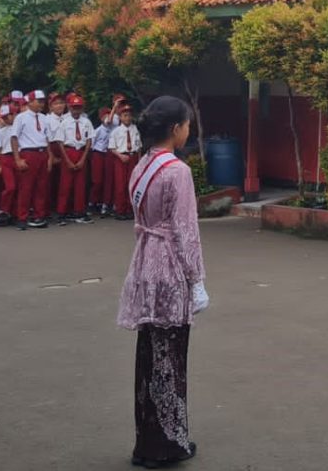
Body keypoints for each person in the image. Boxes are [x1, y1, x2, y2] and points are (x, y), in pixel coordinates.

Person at [117, 96, 207, 468]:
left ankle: (147, 442)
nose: (188, 130)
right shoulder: (177, 171)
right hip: (169, 266)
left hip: (144, 261)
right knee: (170, 356)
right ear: (175, 129)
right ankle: (168, 444)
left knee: (149, 355)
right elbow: (186, 230)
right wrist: (197, 279)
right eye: (187, 125)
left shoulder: (142, 165)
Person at [11, 89, 52, 230]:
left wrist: (49, 157)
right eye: (38, 101)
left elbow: (47, 138)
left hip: (42, 152)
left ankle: (39, 215)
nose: (41, 104)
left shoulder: (44, 118)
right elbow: (14, 138)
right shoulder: (21, 118)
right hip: (28, 153)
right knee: (26, 187)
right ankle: (22, 217)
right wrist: (17, 159)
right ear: (30, 102)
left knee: (41, 187)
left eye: (42, 102)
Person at [56, 94, 95, 224]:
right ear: (69, 107)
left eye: (78, 107)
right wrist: (67, 160)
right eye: (74, 107)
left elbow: (89, 140)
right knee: (65, 185)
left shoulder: (86, 122)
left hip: (81, 152)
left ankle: (79, 212)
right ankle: (62, 213)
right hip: (69, 152)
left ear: (82, 108)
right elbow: (60, 142)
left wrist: (83, 159)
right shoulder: (64, 122)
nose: (76, 110)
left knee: (80, 185)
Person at [109, 104, 143, 220]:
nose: (127, 118)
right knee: (120, 185)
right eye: (125, 115)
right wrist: (120, 156)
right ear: (120, 117)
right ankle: (120, 210)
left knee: (131, 184)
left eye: (129, 115)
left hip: (132, 157)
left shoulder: (135, 129)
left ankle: (130, 209)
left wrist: (139, 161)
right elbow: (112, 148)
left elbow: (138, 147)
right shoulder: (116, 131)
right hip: (121, 158)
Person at [0, 98, 23, 227]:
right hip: (6, 158)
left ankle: (15, 213)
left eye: (10, 115)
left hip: (18, 156)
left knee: (19, 187)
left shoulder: (21, 128)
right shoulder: (1, 131)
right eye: (5, 117)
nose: (8, 119)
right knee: (10, 187)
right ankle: (3, 210)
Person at [90, 107, 114, 217]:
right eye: (105, 116)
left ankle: (105, 203)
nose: (108, 118)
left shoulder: (113, 129)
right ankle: (93, 202)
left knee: (108, 180)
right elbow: (92, 144)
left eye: (109, 116)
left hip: (108, 154)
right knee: (97, 180)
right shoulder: (98, 130)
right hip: (98, 154)